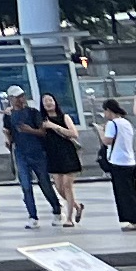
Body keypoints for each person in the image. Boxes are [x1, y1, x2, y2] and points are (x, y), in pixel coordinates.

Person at [33, 94, 88, 228]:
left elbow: (74, 134)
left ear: (55, 102)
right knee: (59, 188)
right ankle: (77, 206)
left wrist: (54, 126)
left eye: (50, 100)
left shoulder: (64, 117)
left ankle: (69, 218)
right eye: (45, 101)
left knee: (67, 186)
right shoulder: (42, 120)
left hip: (67, 154)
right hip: (53, 155)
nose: (48, 103)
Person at [98, 96, 136, 230]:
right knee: (133, 191)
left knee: (123, 193)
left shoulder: (111, 124)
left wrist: (100, 132)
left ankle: (132, 220)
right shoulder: (126, 122)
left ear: (109, 110)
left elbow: (107, 141)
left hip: (117, 161)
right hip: (130, 160)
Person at [1, 89, 49, 224]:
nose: (19, 100)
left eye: (21, 96)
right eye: (16, 97)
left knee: (45, 183)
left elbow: (43, 132)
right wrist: (7, 136)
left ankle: (56, 208)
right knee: (26, 185)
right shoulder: (9, 116)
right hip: (21, 153)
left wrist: (30, 130)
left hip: (37, 152)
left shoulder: (33, 113)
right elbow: (10, 137)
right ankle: (32, 215)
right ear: (11, 99)